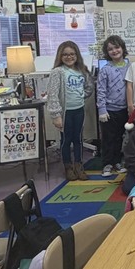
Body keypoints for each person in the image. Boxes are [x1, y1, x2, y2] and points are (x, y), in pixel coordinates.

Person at [47, 40, 94, 181]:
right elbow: (52, 94)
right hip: (65, 112)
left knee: (78, 139)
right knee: (66, 140)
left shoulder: (82, 70)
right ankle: (68, 166)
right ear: (60, 56)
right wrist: (56, 115)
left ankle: (79, 165)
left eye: (72, 54)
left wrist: (81, 95)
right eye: (65, 54)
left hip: (79, 110)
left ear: (77, 55)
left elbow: (89, 87)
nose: (69, 57)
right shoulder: (58, 72)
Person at [96, 34, 129, 177]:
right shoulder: (106, 69)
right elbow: (101, 90)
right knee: (109, 138)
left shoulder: (130, 66)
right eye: (110, 49)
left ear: (122, 48)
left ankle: (117, 162)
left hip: (125, 109)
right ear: (107, 52)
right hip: (109, 110)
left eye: (117, 47)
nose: (114, 51)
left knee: (121, 138)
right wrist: (102, 109)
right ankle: (107, 164)